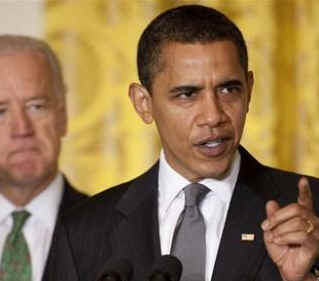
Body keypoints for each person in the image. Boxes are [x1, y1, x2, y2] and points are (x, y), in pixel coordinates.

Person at [43, 5, 319, 281]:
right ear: (143, 104)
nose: (213, 116)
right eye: (187, 94)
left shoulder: (310, 214)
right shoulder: (83, 232)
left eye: (228, 89)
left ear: (249, 91)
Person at [0, 35, 87, 281]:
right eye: (0, 112)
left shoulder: (115, 232)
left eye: (36, 106)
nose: (22, 129)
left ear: (63, 116)